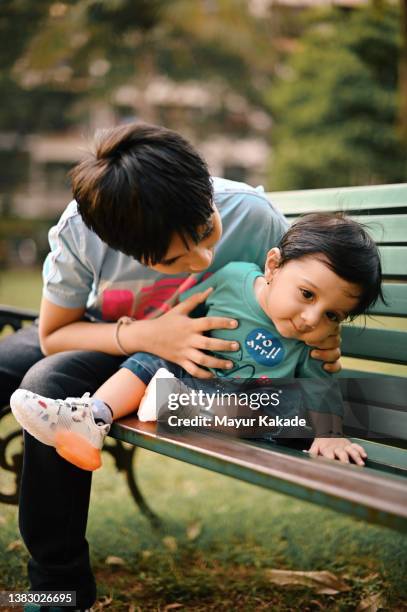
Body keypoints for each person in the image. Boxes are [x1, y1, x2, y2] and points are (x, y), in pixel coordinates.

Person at [0, 122, 342, 610]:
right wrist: (146, 334)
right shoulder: (82, 230)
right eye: (173, 258)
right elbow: (55, 334)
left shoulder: (253, 216)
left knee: (48, 387)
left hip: (187, 363)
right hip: (101, 331)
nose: (203, 257)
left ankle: (60, 589)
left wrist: (324, 334)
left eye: (206, 233)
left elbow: (309, 291)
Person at [11, 212, 383, 471]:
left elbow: (320, 386)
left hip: (251, 407)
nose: (311, 319)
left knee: (276, 407)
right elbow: (183, 305)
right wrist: (150, 326)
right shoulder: (234, 277)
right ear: (273, 266)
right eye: (306, 294)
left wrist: (330, 434)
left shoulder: (317, 340)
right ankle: (91, 417)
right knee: (151, 357)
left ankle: (169, 403)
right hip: (198, 380)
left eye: (333, 314)